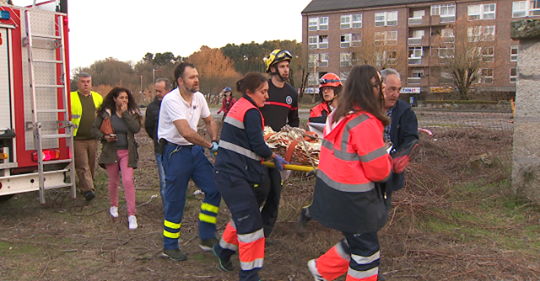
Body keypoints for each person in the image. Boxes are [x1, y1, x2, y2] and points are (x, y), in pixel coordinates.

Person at [307, 65, 403, 281]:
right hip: (354, 200)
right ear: (368, 90)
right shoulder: (365, 121)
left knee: (358, 241)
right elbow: (378, 171)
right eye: (377, 85)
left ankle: (323, 269)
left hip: (333, 193)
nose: (382, 89)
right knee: (367, 254)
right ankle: (323, 269)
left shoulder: (338, 115)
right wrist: (390, 163)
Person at [212, 72, 289, 281]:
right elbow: (257, 145)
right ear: (249, 92)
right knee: (252, 224)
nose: (266, 96)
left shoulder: (239, 106)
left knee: (244, 215)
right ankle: (249, 274)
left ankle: (223, 251)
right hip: (233, 175)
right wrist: (275, 156)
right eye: (263, 92)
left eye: (267, 92)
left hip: (230, 172)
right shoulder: (251, 112)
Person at [158, 62, 221, 262]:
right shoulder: (171, 100)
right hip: (175, 152)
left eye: (197, 75)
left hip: (194, 151)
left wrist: (214, 140)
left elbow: (210, 120)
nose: (196, 79)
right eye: (192, 77)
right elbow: (185, 132)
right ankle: (169, 246)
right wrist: (209, 147)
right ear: (180, 81)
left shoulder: (199, 97)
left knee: (214, 188)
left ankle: (207, 235)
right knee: (176, 201)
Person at [256, 49, 299, 240]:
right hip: (258, 149)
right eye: (282, 66)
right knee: (260, 190)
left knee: (275, 194)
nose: (286, 70)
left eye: (288, 66)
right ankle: (247, 230)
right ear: (272, 68)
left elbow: (294, 121)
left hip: (278, 152)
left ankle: (264, 236)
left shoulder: (291, 93)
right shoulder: (263, 90)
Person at [296, 73, 343, 234]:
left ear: (338, 90)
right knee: (327, 190)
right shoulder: (316, 110)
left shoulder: (347, 108)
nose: (326, 92)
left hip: (343, 156)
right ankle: (308, 213)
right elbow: (314, 132)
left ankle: (315, 214)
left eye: (330, 88)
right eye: (324, 89)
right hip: (323, 155)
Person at [91, 87, 142, 229]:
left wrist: (125, 113)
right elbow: (94, 129)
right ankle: (114, 206)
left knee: (127, 181)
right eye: (121, 98)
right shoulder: (106, 114)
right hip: (111, 152)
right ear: (114, 99)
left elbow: (135, 128)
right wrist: (105, 137)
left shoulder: (132, 113)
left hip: (127, 152)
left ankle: (131, 214)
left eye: (126, 98)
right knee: (113, 182)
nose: (124, 100)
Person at [379, 68, 419, 209]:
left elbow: (411, 140)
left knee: (381, 212)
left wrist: (400, 157)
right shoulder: (366, 109)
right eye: (391, 89)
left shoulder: (406, 113)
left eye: (398, 90)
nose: (396, 95)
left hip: (389, 172)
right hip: (364, 171)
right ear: (380, 87)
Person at [71, 72, 103, 201]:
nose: (86, 84)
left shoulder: (97, 97)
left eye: (88, 81)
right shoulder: (70, 97)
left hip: (93, 138)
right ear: (78, 83)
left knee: (91, 164)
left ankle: (87, 184)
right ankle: (88, 190)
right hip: (77, 138)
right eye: (83, 81)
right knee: (82, 165)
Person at [144, 78, 173, 213]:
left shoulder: (176, 104)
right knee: (164, 182)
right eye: (156, 91)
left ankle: (177, 207)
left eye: (160, 91)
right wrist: (157, 140)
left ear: (168, 90)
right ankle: (168, 211)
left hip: (176, 149)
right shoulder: (152, 107)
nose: (157, 94)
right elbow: (149, 128)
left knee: (177, 180)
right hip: (161, 150)